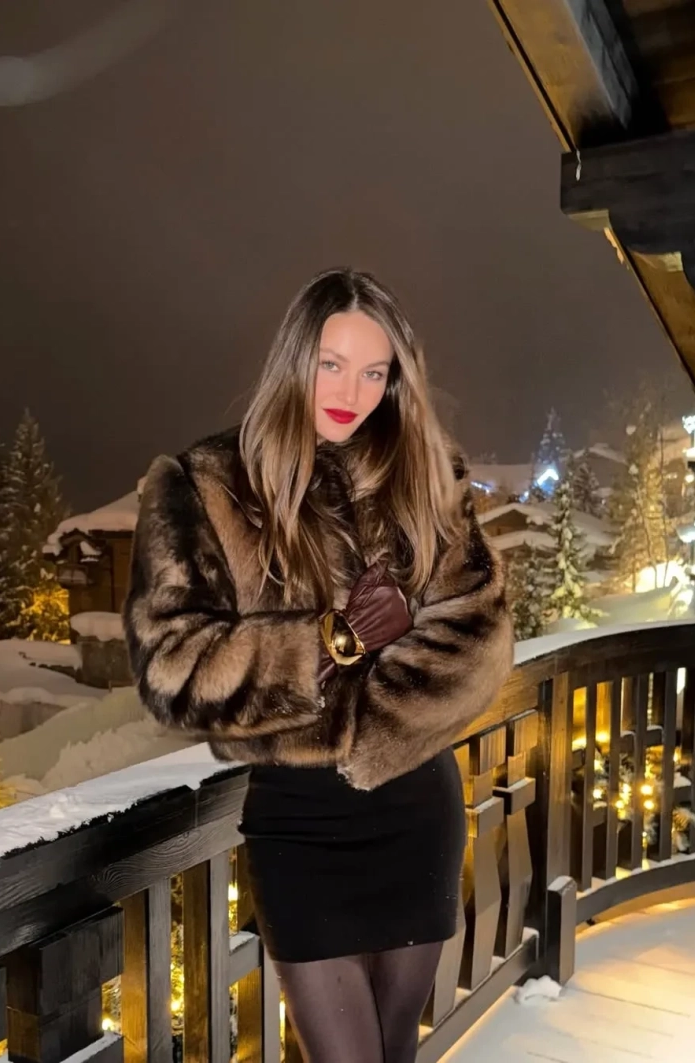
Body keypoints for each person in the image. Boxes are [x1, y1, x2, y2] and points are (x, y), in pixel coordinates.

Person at [124, 268, 513, 1063]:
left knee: (395, 1048)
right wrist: (330, 641)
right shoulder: (206, 486)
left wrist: (368, 731)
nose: (351, 392)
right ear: (294, 357)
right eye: (332, 363)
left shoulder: (424, 475)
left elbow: (482, 635)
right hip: (299, 824)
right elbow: (170, 667)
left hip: (415, 803)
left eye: (374, 371)